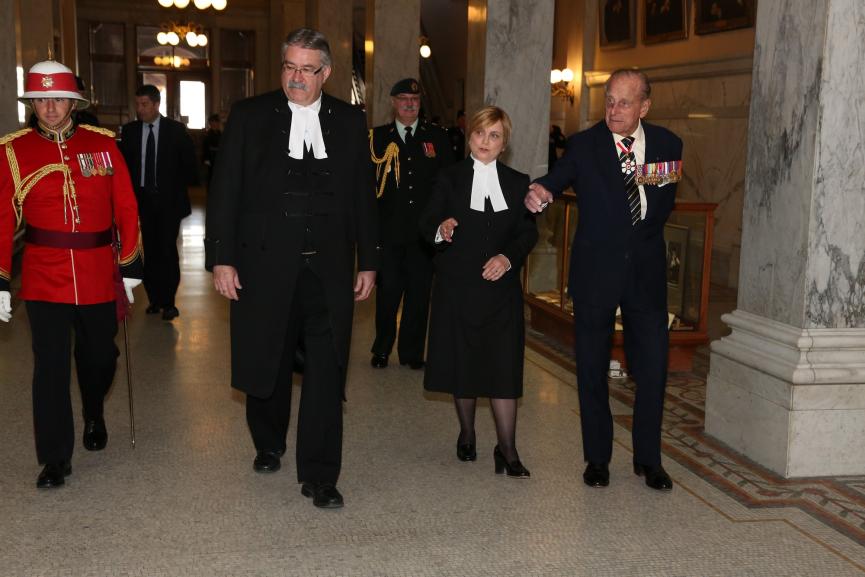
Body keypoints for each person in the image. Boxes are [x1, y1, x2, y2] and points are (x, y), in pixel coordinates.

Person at [205, 28, 378, 509]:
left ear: (326, 73)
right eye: (288, 66)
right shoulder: (249, 116)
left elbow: (364, 196)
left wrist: (370, 261)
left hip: (329, 269)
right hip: (262, 265)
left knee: (328, 369)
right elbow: (226, 192)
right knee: (269, 359)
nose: (295, 77)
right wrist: (221, 257)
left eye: (306, 69)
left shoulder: (348, 120)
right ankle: (267, 440)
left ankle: (321, 474)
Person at [525, 69, 683, 492]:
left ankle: (649, 460)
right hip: (596, 273)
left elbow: (657, 204)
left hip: (646, 275)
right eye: (609, 100)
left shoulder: (668, 145)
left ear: (644, 107)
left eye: (624, 103)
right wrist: (541, 191)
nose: (613, 110)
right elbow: (556, 179)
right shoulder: (585, 145)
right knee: (592, 368)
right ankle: (597, 459)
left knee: (652, 371)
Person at [0, 59, 143, 489]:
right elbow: (3, 219)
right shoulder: (13, 150)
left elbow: (127, 206)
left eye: (58, 98)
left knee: (101, 356)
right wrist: (2, 279)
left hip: (99, 271)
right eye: (42, 100)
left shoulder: (103, 144)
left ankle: (95, 410)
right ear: (33, 103)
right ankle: (55, 458)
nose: (50, 108)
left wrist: (131, 265)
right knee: (50, 368)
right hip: (44, 276)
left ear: (74, 103)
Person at [421, 106, 538, 478]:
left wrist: (507, 257)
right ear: (469, 136)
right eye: (479, 134)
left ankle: (508, 449)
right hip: (458, 287)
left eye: (494, 136)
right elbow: (426, 224)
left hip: (501, 291)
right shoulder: (449, 178)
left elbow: (527, 232)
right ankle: (467, 433)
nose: (485, 142)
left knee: (504, 367)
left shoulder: (519, 183)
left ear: (504, 144)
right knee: (464, 364)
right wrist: (442, 229)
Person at [369, 78, 454, 370]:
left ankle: (412, 353)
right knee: (388, 293)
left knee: (419, 296)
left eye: (414, 100)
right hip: (390, 233)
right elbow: (368, 189)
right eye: (403, 98)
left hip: (423, 235)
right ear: (393, 102)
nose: (409, 104)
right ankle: (381, 349)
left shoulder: (437, 138)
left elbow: (449, 184)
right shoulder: (377, 138)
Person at [119, 84, 198, 321]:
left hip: (168, 203)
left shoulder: (175, 130)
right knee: (148, 252)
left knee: (166, 250)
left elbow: (190, 167)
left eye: (144, 104)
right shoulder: (131, 131)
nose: (140, 109)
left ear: (156, 104)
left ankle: (169, 301)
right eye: (137, 104)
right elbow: (123, 167)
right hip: (141, 201)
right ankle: (154, 299)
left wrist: (173, 187)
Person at [202, 113, 222, 188]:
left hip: (219, 158)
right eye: (213, 122)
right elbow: (205, 148)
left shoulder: (220, 133)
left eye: (216, 122)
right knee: (211, 177)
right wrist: (206, 159)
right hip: (211, 158)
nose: (215, 124)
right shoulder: (208, 134)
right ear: (210, 123)